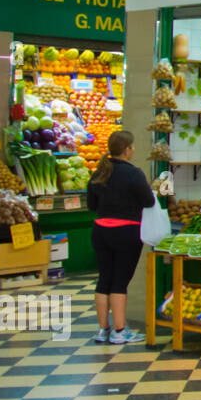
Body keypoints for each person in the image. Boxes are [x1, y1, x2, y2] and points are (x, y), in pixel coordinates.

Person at [87, 131, 155, 344]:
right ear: (127, 150)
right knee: (120, 282)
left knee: (104, 280)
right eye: (132, 147)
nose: (133, 150)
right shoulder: (133, 174)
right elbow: (149, 201)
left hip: (100, 231)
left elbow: (91, 206)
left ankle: (102, 330)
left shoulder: (99, 173)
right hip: (126, 232)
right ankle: (119, 330)